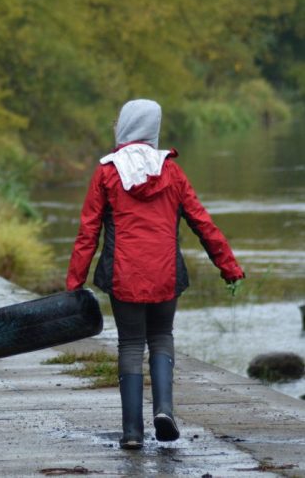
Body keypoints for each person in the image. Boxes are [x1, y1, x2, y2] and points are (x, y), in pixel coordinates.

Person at [65, 99, 244, 450]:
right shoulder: (172, 172)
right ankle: (165, 411)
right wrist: (229, 267)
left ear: (128, 126)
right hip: (166, 274)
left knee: (130, 344)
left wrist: (74, 283)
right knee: (161, 336)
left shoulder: (107, 173)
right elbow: (202, 224)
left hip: (123, 275)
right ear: (152, 129)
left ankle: (132, 432)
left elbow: (88, 233)